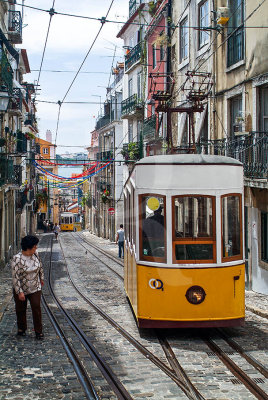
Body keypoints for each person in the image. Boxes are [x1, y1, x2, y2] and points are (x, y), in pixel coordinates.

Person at [11, 235, 44, 340]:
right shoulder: (17, 259)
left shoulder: (36, 255)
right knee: (20, 309)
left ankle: (38, 331)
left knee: (36, 307)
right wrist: (19, 292)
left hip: (35, 286)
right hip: (21, 287)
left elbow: (40, 267)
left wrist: (41, 278)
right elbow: (15, 277)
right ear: (29, 247)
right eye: (35, 246)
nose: (36, 248)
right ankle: (21, 329)